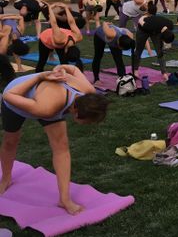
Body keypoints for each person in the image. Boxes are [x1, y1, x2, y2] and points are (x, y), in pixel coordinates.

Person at [0, 64, 108, 215]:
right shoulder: (47, 108)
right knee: (11, 140)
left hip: (51, 100)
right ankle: (6, 177)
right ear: (76, 112)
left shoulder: (87, 92)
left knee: (61, 147)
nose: (89, 125)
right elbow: (8, 95)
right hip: (15, 96)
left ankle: (64, 199)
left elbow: (74, 69)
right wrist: (40, 76)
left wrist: (59, 67)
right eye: (88, 121)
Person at [36, 4, 84, 73]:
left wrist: (66, 8)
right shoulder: (59, 39)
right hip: (46, 37)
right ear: (66, 51)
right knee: (42, 61)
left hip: (61, 40)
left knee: (64, 61)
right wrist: (50, 8)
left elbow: (72, 22)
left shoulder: (78, 37)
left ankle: (68, 77)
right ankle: (37, 78)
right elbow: (54, 23)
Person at [133, 3, 174, 81]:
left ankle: (164, 72)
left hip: (155, 30)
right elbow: (141, 21)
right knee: (139, 49)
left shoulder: (169, 24)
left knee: (160, 50)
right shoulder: (148, 24)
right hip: (143, 30)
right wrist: (143, 17)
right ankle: (135, 70)